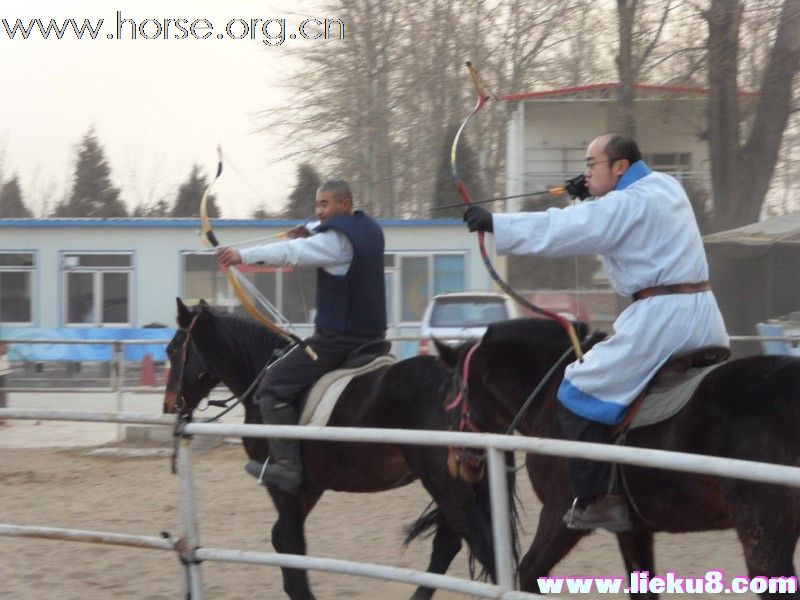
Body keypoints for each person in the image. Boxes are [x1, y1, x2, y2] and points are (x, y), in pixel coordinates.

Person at [463, 133, 729, 531]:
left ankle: (598, 500)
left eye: (592, 164)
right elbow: (608, 225)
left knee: (577, 389)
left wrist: (496, 224)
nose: (585, 172)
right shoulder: (664, 186)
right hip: (703, 318)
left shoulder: (628, 201)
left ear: (620, 166)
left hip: (662, 321)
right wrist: (591, 195)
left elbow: (568, 228)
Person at [216, 180, 387, 494]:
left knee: (271, 387)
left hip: (338, 342)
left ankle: (288, 467)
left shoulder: (335, 241)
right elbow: (314, 235)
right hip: (375, 337)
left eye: (325, 205)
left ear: (345, 205)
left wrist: (240, 254)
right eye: (317, 205)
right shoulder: (369, 228)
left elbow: (289, 252)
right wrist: (309, 229)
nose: (319, 212)